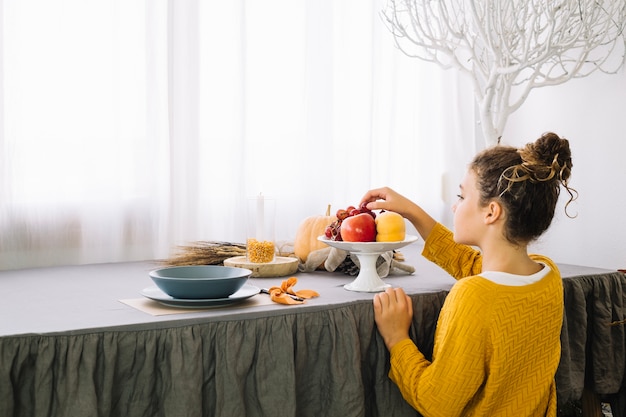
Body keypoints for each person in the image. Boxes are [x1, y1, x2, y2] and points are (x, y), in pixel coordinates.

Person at [360, 132, 577, 417]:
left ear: (491, 212)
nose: (454, 206)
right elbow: (474, 267)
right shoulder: (546, 273)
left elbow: (436, 403)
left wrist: (397, 338)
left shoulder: (472, 296)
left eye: (462, 196)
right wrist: (414, 212)